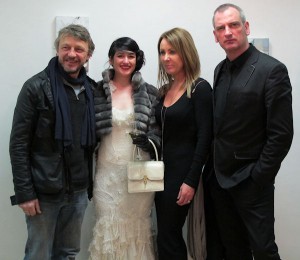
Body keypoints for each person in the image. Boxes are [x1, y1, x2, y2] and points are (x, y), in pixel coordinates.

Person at [204, 3, 293, 259]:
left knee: (264, 251)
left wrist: (259, 177)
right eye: (221, 28)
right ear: (215, 36)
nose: (228, 32)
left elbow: (281, 134)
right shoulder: (220, 70)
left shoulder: (271, 70)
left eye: (233, 25)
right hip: (220, 181)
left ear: (246, 27)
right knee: (234, 249)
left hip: (251, 182)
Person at [9, 24, 96, 259]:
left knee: (67, 253)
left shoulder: (93, 91)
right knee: (38, 254)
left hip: (78, 191)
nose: (72, 54)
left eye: (79, 49)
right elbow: (18, 144)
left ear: (89, 54)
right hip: (43, 192)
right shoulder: (35, 87)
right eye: (65, 47)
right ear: (57, 50)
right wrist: (25, 193)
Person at [89, 37, 161, 259]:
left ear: (137, 59)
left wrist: (150, 141)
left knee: (136, 228)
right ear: (111, 59)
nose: (125, 60)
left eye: (131, 56)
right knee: (109, 226)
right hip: (107, 174)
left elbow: (158, 131)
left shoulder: (149, 92)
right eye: (120, 55)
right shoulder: (97, 91)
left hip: (139, 173)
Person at [154, 27, 213, 260]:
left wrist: (191, 181)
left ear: (185, 52)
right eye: (162, 52)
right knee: (165, 235)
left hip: (182, 174)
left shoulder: (199, 89)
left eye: (173, 51)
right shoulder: (164, 90)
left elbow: (205, 138)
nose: (166, 58)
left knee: (168, 234)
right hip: (160, 173)